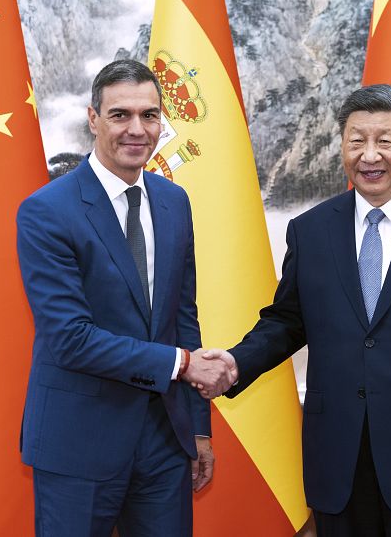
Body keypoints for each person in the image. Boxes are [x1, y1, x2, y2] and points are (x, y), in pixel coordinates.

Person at [203, 84, 391, 536]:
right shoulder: (310, 231)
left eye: (385, 141)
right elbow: (288, 322)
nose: (370, 155)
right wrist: (234, 363)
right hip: (340, 457)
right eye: (356, 141)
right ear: (342, 147)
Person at [16, 59, 234, 537]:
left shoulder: (173, 201)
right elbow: (70, 339)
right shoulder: (46, 212)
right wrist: (180, 364)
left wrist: (198, 429)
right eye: (120, 115)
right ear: (93, 119)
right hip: (78, 443)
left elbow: (184, 320)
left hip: (164, 441)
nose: (137, 129)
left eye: (150, 115)